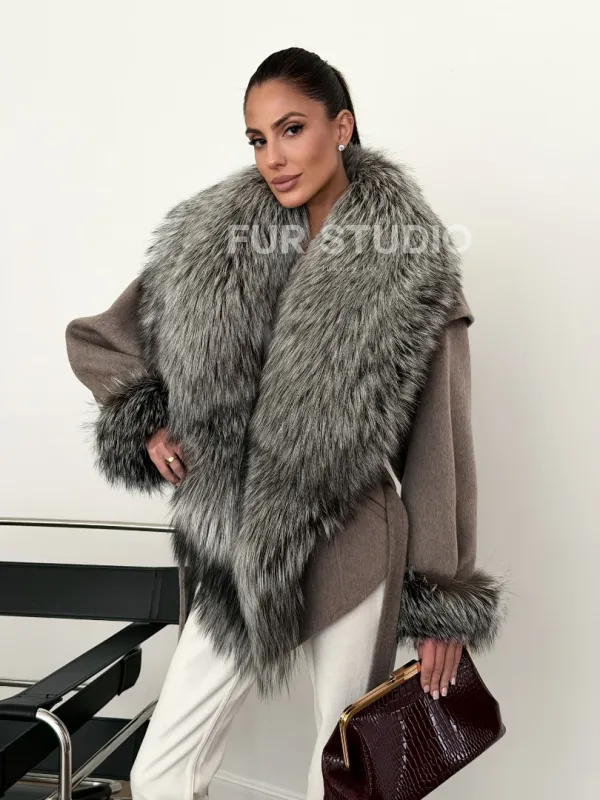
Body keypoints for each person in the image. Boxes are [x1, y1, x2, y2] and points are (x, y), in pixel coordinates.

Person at [65, 47, 506, 800]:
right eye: (257, 138)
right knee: (160, 770)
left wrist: (442, 600)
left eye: (292, 129)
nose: (273, 156)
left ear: (342, 127)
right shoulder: (217, 240)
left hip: (354, 540)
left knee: (341, 778)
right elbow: (101, 340)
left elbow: (442, 445)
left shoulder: (412, 264)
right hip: (238, 542)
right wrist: (148, 420)